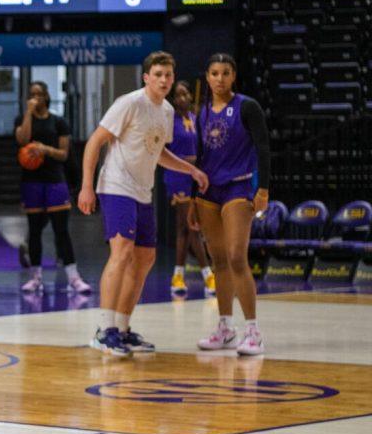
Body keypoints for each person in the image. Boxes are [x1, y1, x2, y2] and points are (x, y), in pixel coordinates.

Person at [78, 52, 208, 357]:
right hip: (116, 186)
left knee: (145, 259)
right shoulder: (129, 103)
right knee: (121, 252)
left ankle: (122, 328)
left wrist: (191, 169)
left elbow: (158, 151)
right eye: (158, 74)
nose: (163, 79)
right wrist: (86, 186)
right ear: (146, 77)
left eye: (168, 75)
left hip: (142, 190)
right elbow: (95, 142)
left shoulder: (166, 112)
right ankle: (104, 330)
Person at [190, 54, 272, 356]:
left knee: (238, 257)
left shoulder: (247, 107)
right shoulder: (202, 113)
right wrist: (191, 197)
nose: (220, 78)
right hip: (207, 191)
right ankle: (225, 328)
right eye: (214, 73)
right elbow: (199, 156)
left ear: (233, 76)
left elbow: (263, 147)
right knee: (219, 261)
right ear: (208, 77)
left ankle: (253, 331)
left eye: (226, 73)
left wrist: (263, 188)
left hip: (239, 187)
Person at [15, 81, 92, 294]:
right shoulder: (22, 120)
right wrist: (29, 114)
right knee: (34, 231)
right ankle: (36, 277)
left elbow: (63, 154)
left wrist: (45, 149)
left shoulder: (58, 122)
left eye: (39, 94)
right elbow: (22, 140)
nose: (36, 98)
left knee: (61, 231)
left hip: (55, 180)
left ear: (47, 96)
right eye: (32, 94)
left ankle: (74, 277)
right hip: (31, 182)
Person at [162, 81, 214, 297]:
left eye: (185, 94)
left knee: (183, 229)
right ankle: (208, 275)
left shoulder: (195, 118)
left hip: (195, 177)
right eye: (177, 95)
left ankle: (178, 275)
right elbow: (164, 152)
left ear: (191, 96)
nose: (181, 98)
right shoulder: (168, 121)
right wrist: (191, 161)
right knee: (192, 226)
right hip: (178, 177)